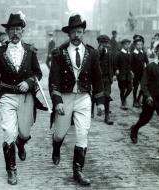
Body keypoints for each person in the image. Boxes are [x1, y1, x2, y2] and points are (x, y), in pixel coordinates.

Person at [49, 14, 104, 186]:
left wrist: (100, 101)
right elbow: (54, 79)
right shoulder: (59, 53)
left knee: (82, 134)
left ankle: (78, 171)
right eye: (73, 32)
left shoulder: (92, 53)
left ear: (83, 33)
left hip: (84, 98)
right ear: (69, 33)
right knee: (59, 133)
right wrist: (57, 101)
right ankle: (56, 145)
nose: (76, 35)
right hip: (65, 97)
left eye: (79, 32)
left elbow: (98, 78)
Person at [0, 11, 42, 185]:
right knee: (9, 132)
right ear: (7, 32)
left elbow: (38, 74)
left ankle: (21, 142)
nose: (15, 33)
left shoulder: (30, 51)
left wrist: (29, 82)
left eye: (18, 29)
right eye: (12, 29)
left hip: (26, 97)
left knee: (24, 133)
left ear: (23, 31)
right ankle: (11, 170)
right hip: (7, 97)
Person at [130, 42, 159, 157]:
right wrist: (148, 96)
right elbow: (144, 84)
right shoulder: (150, 67)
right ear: (156, 52)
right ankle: (134, 129)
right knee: (145, 119)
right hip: (151, 100)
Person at [92, 34, 115, 125]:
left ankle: (106, 117)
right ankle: (92, 111)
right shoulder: (96, 52)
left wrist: (112, 76)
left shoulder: (109, 52)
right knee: (95, 95)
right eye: (103, 42)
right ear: (99, 43)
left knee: (107, 96)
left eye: (106, 42)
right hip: (98, 79)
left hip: (107, 78)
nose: (105, 44)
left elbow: (111, 65)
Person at [131, 36, 149, 108]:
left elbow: (147, 62)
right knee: (135, 87)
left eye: (141, 45)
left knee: (143, 87)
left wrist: (147, 69)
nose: (140, 46)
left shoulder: (143, 53)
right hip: (135, 73)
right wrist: (131, 72)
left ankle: (138, 99)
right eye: (138, 45)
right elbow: (130, 64)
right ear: (135, 45)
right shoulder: (133, 54)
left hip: (143, 73)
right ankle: (134, 101)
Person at [116, 39, 133, 110]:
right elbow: (116, 63)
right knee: (122, 89)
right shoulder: (119, 54)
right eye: (126, 44)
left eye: (128, 44)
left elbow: (131, 64)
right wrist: (116, 70)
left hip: (128, 74)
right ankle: (123, 103)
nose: (127, 46)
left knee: (130, 88)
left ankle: (124, 98)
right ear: (123, 45)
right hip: (121, 74)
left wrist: (131, 71)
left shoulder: (129, 53)